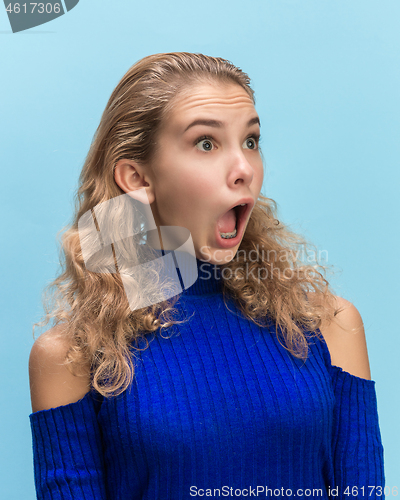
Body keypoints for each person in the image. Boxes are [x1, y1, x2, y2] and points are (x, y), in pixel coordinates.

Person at [29, 52, 385, 500]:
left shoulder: (329, 326)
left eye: (251, 141)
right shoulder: (73, 356)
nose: (245, 170)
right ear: (137, 177)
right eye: (206, 143)